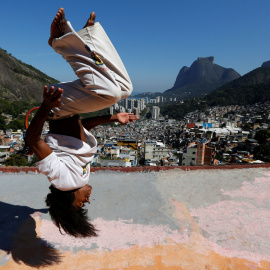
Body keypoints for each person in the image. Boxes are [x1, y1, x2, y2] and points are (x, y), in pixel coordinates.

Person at [26, 8, 137, 237]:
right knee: (125, 90)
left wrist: (47, 105)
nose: (87, 200)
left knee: (110, 94)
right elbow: (82, 129)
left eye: (80, 205)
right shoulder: (80, 177)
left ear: (68, 200)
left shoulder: (62, 180)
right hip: (70, 111)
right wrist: (113, 118)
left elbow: (33, 140)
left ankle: (60, 42)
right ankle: (89, 36)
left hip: (58, 108)